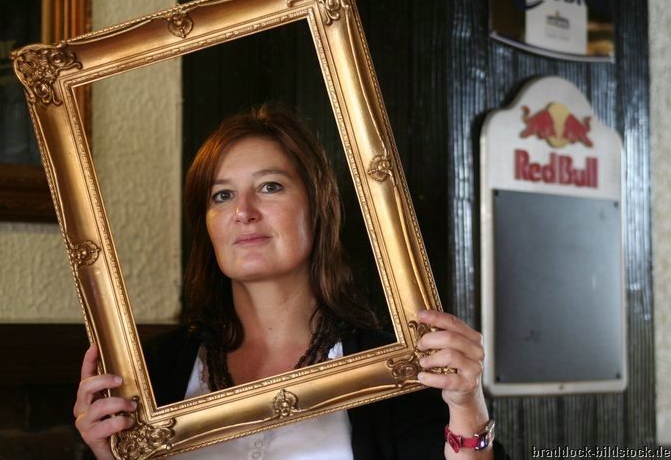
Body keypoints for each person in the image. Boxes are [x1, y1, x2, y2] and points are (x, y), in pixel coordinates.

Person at [73, 105, 508, 459]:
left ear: (317, 207)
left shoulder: (393, 368)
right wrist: (111, 457)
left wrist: (467, 407)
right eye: (222, 195)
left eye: (270, 187)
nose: (243, 211)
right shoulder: (153, 372)